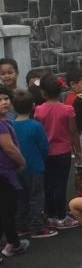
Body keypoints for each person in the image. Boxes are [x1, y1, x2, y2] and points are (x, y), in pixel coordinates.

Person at [35, 74, 78, 229]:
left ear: (43, 93)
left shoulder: (38, 110)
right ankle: (61, 216)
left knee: (47, 184)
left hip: (45, 153)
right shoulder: (68, 109)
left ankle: (50, 214)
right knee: (60, 184)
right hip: (63, 153)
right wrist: (77, 151)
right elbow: (73, 132)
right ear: (60, 91)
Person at [12, 91, 54, 240]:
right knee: (36, 197)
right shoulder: (36, 125)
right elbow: (44, 147)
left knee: (21, 197)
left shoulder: (10, 124)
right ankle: (36, 227)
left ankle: (20, 226)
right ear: (33, 106)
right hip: (35, 166)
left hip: (16, 167)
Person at [0, 89, 27, 257]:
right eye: (0, 100)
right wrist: (22, 161)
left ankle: (13, 242)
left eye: (5, 98)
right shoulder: (1, 124)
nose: (4, 102)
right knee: (7, 209)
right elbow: (9, 148)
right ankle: (13, 243)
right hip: (4, 173)